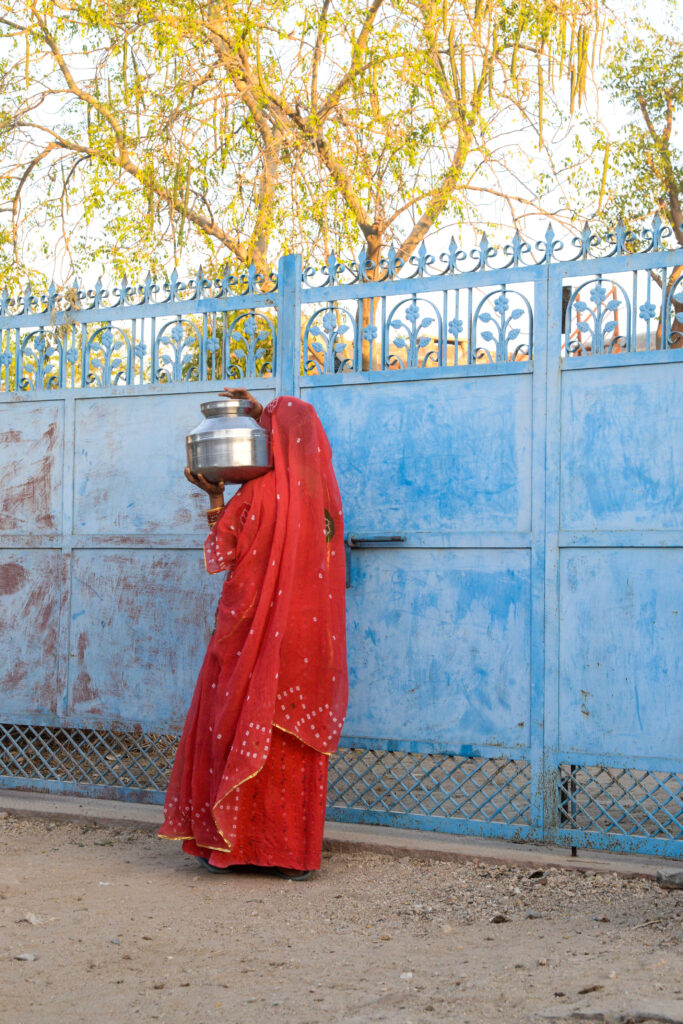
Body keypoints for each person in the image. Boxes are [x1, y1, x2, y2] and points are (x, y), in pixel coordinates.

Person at [159, 388, 348, 880]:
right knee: (291, 742)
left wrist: (215, 497)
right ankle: (291, 856)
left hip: (246, 639)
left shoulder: (255, 495)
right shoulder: (324, 506)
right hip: (307, 649)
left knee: (238, 724)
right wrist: (264, 404)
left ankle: (230, 845)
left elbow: (221, 556)